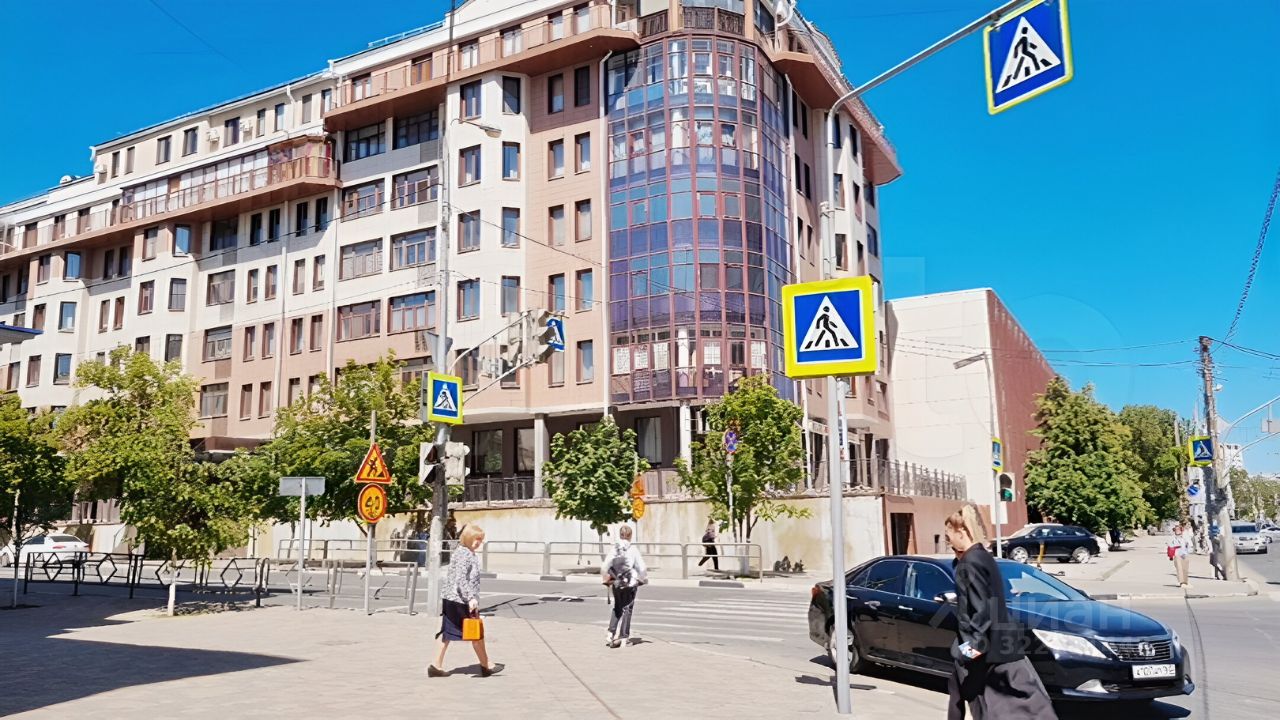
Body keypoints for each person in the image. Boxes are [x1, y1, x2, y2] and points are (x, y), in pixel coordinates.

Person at [945, 504, 1056, 720]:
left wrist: (970, 651)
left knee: (996, 706)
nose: (949, 542)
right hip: (998, 646)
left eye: (949, 536)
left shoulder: (970, 562)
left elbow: (981, 610)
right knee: (1023, 704)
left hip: (985, 651)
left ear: (961, 531)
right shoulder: (982, 557)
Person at [429, 524, 503, 678]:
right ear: (468, 538)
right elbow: (461, 579)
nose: (479, 543)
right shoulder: (464, 554)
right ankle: (486, 665)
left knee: (448, 632)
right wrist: (470, 598)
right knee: (476, 632)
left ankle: (436, 666)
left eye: (481, 540)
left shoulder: (465, 552)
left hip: (453, 599)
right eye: (476, 539)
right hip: (460, 600)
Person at [603, 525, 647, 649]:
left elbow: (606, 565)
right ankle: (623, 637)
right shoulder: (633, 550)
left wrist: (608, 578)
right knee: (627, 609)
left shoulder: (614, 549)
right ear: (630, 536)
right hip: (629, 584)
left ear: (620, 535)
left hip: (616, 583)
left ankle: (610, 633)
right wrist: (642, 579)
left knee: (617, 607)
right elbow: (641, 567)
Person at [1167, 524, 1191, 588]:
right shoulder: (1172, 537)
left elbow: (1190, 545)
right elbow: (1170, 545)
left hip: (1185, 554)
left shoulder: (1185, 536)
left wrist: (1188, 548)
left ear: (1181, 530)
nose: (1177, 531)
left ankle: (1185, 582)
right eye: (1176, 530)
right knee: (1179, 568)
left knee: (1185, 569)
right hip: (1177, 554)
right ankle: (1181, 582)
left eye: (1178, 529)